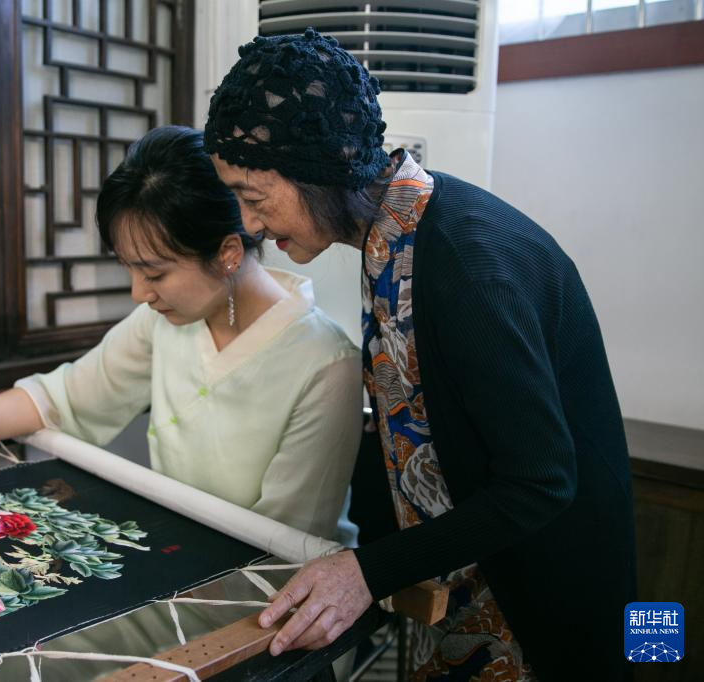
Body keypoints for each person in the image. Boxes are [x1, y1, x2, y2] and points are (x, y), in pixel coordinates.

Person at [203, 29, 636, 681]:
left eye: (255, 198)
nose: (250, 224)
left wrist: (367, 570)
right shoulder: (394, 235)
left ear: (326, 167)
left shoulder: (464, 260)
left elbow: (539, 480)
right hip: (470, 579)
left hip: (544, 594)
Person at [0, 124, 362, 545]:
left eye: (154, 272)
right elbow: (63, 398)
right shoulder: (166, 320)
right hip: (177, 554)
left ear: (228, 253)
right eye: (130, 269)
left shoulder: (326, 365)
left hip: (272, 595)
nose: (139, 293)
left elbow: (286, 544)